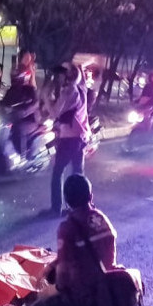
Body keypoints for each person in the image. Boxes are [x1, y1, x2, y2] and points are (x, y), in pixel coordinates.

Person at [19, 174, 117, 306]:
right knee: (56, 273)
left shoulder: (67, 228)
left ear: (67, 200)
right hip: (104, 287)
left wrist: (49, 292)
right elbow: (107, 257)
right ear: (91, 196)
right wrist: (51, 265)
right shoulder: (101, 218)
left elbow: (63, 275)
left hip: (79, 294)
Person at [42, 63, 90, 215]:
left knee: (58, 172)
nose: (59, 76)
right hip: (81, 137)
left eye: (63, 73)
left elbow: (55, 112)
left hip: (70, 138)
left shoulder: (69, 92)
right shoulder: (82, 89)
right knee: (78, 173)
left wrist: (46, 95)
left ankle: (56, 209)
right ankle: (81, 208)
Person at [0, 60, 39, 158]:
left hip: (29, 120)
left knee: (19, 128)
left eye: (17, 75)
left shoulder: (30, 90)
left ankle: (22, 155)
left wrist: (23, 112)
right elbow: (4, 102)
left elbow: (35, 104)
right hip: (13, 118)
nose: (14, 78)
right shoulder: (11, 91)